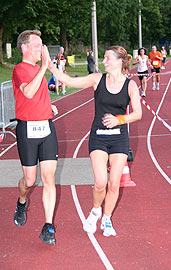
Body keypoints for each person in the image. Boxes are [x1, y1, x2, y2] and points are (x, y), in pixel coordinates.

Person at [48, 46, 142, 237]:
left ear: (118, 61)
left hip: (119, 139)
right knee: (100, 182)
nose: (104, 61)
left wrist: (119, 119)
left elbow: (138, 113)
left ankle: (106, 218)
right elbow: (69, 81)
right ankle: (95, 210)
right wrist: (50, 66)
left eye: (107, 58)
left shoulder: (130, 85)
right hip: (98, 136)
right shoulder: (97, 79)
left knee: (114, 184)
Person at [12, 30, 59, 245]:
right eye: (37, 45)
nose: (42, 49)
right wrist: (43, 69)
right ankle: (22, 201)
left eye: (42, 45)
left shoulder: (41, 69)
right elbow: (29, 92)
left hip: (46, 128)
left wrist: (48, 106)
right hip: (27, 130)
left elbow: (39, 95)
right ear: (24, 48)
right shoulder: (20, 70)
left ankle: (48, 226)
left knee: (49, 178)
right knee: (30, 180)